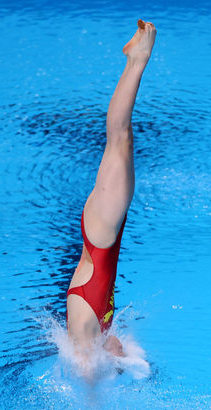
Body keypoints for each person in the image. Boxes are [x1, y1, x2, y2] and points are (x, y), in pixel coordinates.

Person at [66, 20, 157, 358]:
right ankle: (136, 61)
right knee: (121, 142)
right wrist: (117, 354)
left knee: (120, 140)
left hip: (102, 236)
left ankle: (136, 60)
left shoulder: (85, 345)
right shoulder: (96, 334)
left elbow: (89, 391)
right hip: (103, 239)